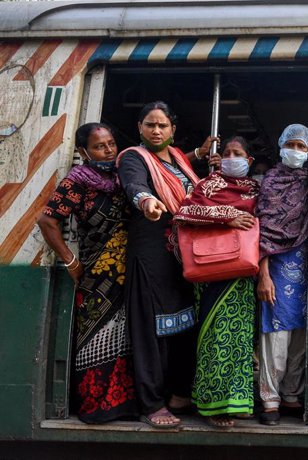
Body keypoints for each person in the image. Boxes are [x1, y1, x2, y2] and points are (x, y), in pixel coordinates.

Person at [116, 101, 217, 428]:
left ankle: (179, 394)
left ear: (172, 130)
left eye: (162, 125)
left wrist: (199, 157)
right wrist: (145, 201)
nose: (156, 130)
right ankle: (152, 402)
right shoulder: (133, 157)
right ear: (140, 128)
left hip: (181, 251)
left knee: (184, 324)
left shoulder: (176, 157)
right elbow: (135, 183)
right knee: (152, 328)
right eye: (150, 125)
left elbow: (180, 174)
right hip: (151, 250)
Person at [38, 122, 138, 423]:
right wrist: (70, 261)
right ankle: (97, 409)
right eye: (99, 146)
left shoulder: (123, 176)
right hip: (96, 277)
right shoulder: (77, 183)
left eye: (111, 143)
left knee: (127, 339)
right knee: (95, 341)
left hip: (129, 273)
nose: (108, 150)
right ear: (83, 151)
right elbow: (47, 221)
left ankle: (127, 406)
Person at [174, 136, 259, 428]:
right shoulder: (209, 184)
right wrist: (228, 216)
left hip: (243, 273)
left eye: (237, 153)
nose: (230, 157)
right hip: (212, 269)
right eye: (226, 153)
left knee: (239, 340)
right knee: (214, 337)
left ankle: (236, 401)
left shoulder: (256, 189)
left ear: (248, 162)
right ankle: (212, 405)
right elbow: (185, 212)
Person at [256, 124, 308, 426]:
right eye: (291, 144)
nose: (296, 151)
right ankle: (270, 400)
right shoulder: (271, 182)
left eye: (302, 146)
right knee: (275, 337)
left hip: (304, 271)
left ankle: (291, 393)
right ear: (280, 146)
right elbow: (262, 230)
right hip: (276, 269)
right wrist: (263, 275)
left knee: (301, 338)